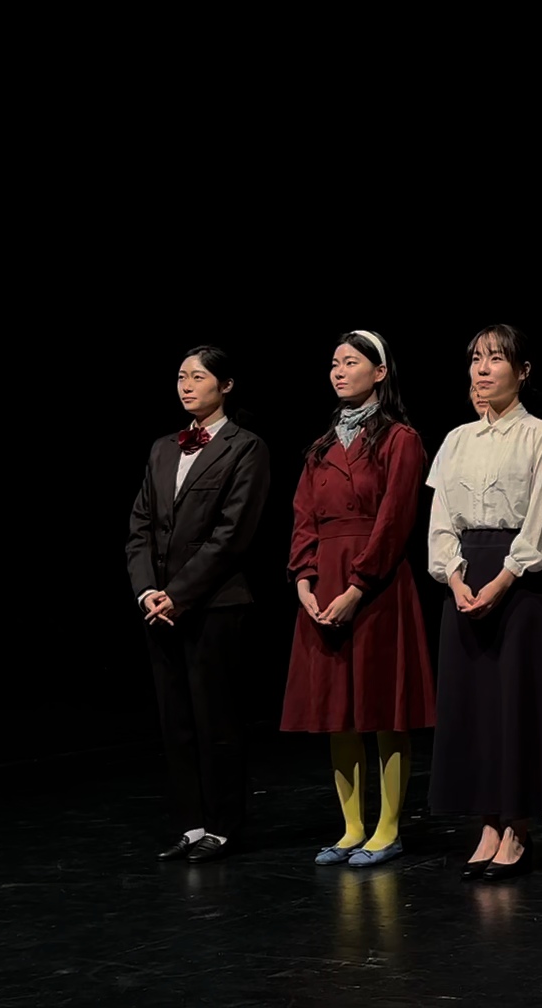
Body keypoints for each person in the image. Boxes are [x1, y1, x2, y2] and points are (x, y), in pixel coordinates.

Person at [280, 330, 434, 869]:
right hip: (324, 583)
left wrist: (357, 587)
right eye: (334, 363)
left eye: (350, 362)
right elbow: (303, 519)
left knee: (384, 710)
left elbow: (395, 521)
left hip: (377, 586)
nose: (339, 371)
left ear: (380, 372)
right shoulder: (321, 447)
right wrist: (304, 580)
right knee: (337, 713)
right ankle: (351, 828)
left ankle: (387, 829)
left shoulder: (400, 439)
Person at [427, 324, 542, 878]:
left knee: (515, 703)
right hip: (466, 577)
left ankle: (517, 825)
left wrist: (504, 578)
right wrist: (453, 575)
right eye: (476, 359)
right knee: (474, 707)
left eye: (496, 359)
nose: (483, 369)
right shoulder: (457, 438)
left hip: (518, 578)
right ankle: (487, 821)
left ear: (523, 371)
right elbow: (442, 518)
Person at [126, 345, 272, 864]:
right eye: (181, 377)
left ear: (225, 385)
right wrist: (148, 590)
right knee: (176, 721)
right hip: (160, 606)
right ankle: (190, 825)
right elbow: (141, 526)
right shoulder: (163, 447)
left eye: (198, 376)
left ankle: (223, 827)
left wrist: (180, 594)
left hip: (215, 604)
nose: (186, 385)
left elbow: (232, 535)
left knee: (217, 719)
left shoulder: (245, 447)